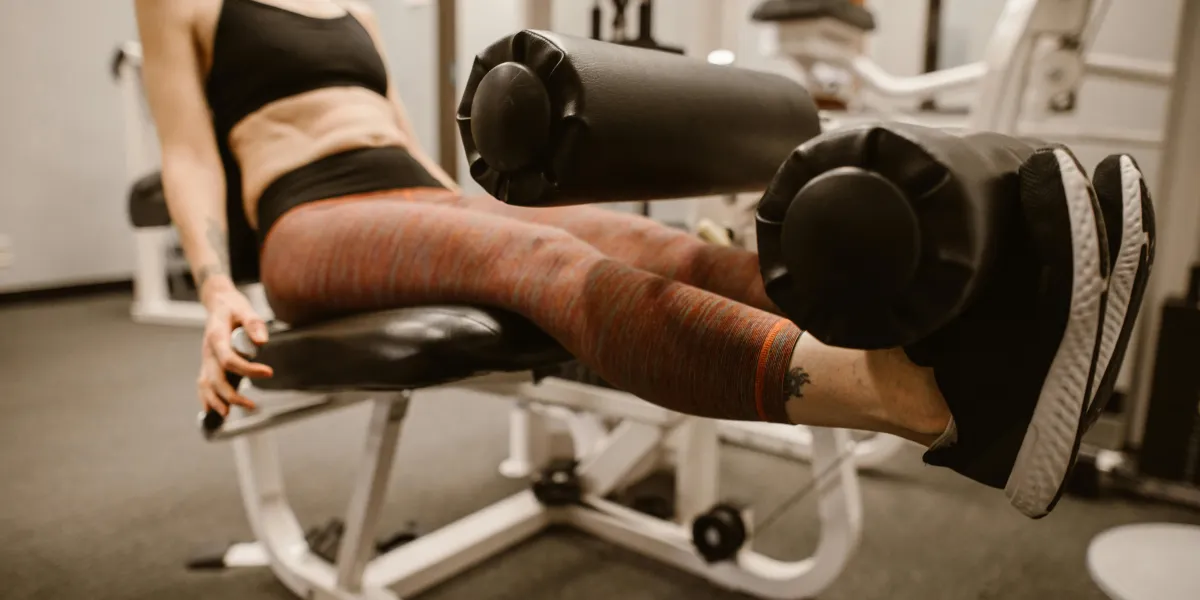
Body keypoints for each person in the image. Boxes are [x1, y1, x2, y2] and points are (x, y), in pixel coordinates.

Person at [134, 0, 1153, 519]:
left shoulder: (348, 10)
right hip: (312, 222)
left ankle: (975, 366)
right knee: (540, 260)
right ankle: (907, 399)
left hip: (407, 195)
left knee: (653, 243)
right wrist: (221, 285)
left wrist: (464, 219)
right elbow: (186, 149)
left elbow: (404, 140)